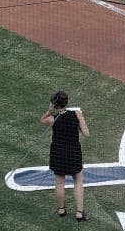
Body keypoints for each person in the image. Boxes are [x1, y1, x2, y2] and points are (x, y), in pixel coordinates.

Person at [39, 90, 90, 222]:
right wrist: (80, 123)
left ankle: (61, 209)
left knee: (59, 182)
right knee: (78, 181)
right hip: (73, 151)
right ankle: (79, 212)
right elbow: (86, 133)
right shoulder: (77, 114)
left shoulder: (53, 118)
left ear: (54, 104)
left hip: (58, 152)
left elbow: (42, 120)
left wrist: (50, 111)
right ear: (66, 102)